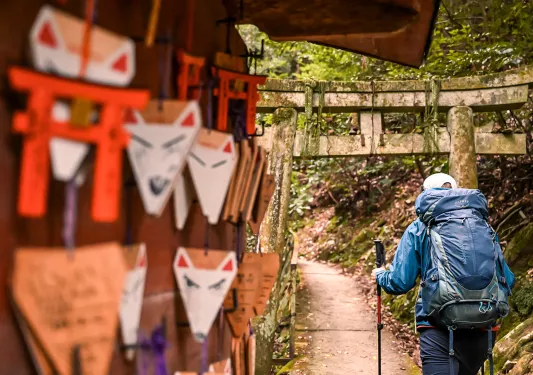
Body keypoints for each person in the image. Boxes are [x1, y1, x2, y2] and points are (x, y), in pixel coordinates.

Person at [372, 173, 515, 375]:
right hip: (483, 327)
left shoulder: (419, 228)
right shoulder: (484, 226)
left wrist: (380, 275)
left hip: (437, 327)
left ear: (426, 193)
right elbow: (508, 279)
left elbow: (400, 282)